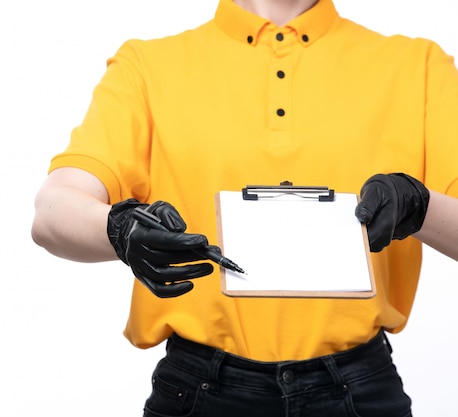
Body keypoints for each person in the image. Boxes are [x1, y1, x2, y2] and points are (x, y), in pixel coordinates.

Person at [31, 0, 458, 415]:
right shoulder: (147, 65)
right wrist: (119, 228)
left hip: (360, 387)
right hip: (196, 387)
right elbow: (53, 210)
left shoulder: (417, 65)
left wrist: (416, 206)